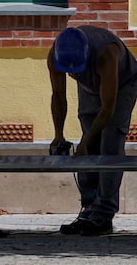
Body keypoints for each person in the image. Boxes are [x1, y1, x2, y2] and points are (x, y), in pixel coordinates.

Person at [47, 25, 137, 236]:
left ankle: (104, 214)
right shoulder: (55, 55)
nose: (69, 73)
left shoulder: (107, 53)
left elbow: (108, 108)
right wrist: (58, 135)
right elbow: (58, 96)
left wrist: (86, 141)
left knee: (109, 145)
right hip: (89, 86)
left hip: (123, 84)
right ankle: (88, 210)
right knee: (88, 146)